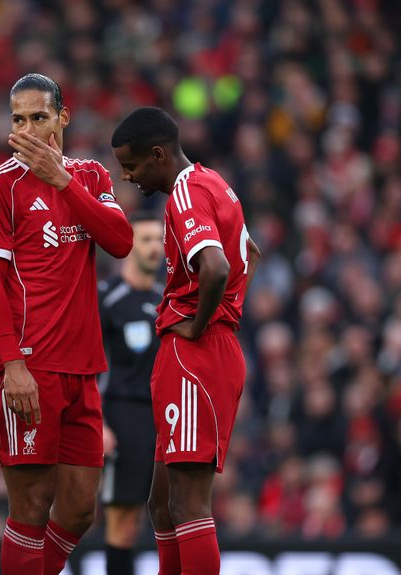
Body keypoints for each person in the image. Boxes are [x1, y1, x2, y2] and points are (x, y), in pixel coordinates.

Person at [0, 73, 133, 575]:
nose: (28, 129)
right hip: (27, 367)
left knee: (82, 508)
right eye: (18, 120)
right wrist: (12, 365)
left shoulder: (90, 176)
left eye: (38, 117)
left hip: (82, 368)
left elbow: (120, 242)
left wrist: (62, 180)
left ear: (63, 117)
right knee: (31, 507)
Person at [110, 107, 261, 575]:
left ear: (158, 154)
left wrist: (201, 324)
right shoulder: (214, 182)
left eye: (132, 165)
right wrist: (226, 313)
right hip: (203, 350)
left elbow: (215, 266)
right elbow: (250, 254)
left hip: (197, 351)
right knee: (161, 502)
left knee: (189, 505)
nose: (129, 177)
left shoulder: (185, 193)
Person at [98, 211, 165, 575]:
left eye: (160, 240)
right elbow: (91, 366)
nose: (155, 248)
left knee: (156, 520)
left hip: (161, 419)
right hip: (121, 416)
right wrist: (100, 423)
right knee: (121, 519)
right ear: (128, 246)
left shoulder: (165, 298)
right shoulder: (106, 299)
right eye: (146, 240)